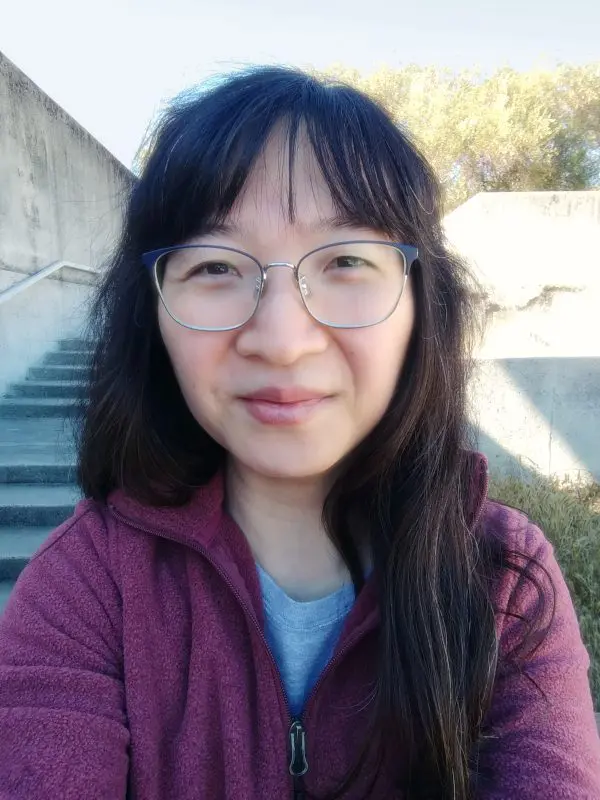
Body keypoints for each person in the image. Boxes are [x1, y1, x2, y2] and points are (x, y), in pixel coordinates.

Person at [0, 66, 599, 800]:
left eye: (346, 260)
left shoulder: (503, 579)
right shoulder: (86, 588)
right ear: (152, 317)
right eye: (216, 265)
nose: (282, 340)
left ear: (421, 305)